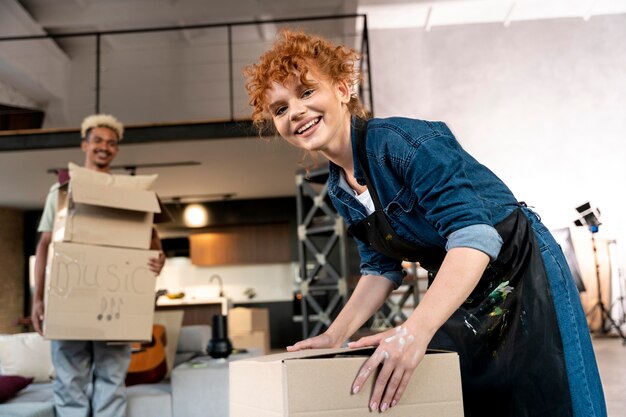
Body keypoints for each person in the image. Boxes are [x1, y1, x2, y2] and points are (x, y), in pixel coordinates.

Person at [244, 30, 606, 417]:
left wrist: (414, 330)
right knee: (484, 399)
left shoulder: (402, 142)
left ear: (343, 89)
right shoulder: (339, 189)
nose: (294, 111)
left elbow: (474, 236)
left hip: (520, 265)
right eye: (279, 109)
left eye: (306, 92)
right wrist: (334, 335)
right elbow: (380, 269)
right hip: (463, 288)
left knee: (553, 393)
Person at [31, 114, 166, 417]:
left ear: (116, 150)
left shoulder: (130, 194)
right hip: (70, 300)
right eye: (98, 141)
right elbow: (44, 245)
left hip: (114, 303)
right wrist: (37, 299)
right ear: (85, 145)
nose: (104, 147)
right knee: (69, 383)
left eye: (111, 143)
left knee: (112, 381)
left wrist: (160, 257)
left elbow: (153, 239)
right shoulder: (62, 191)